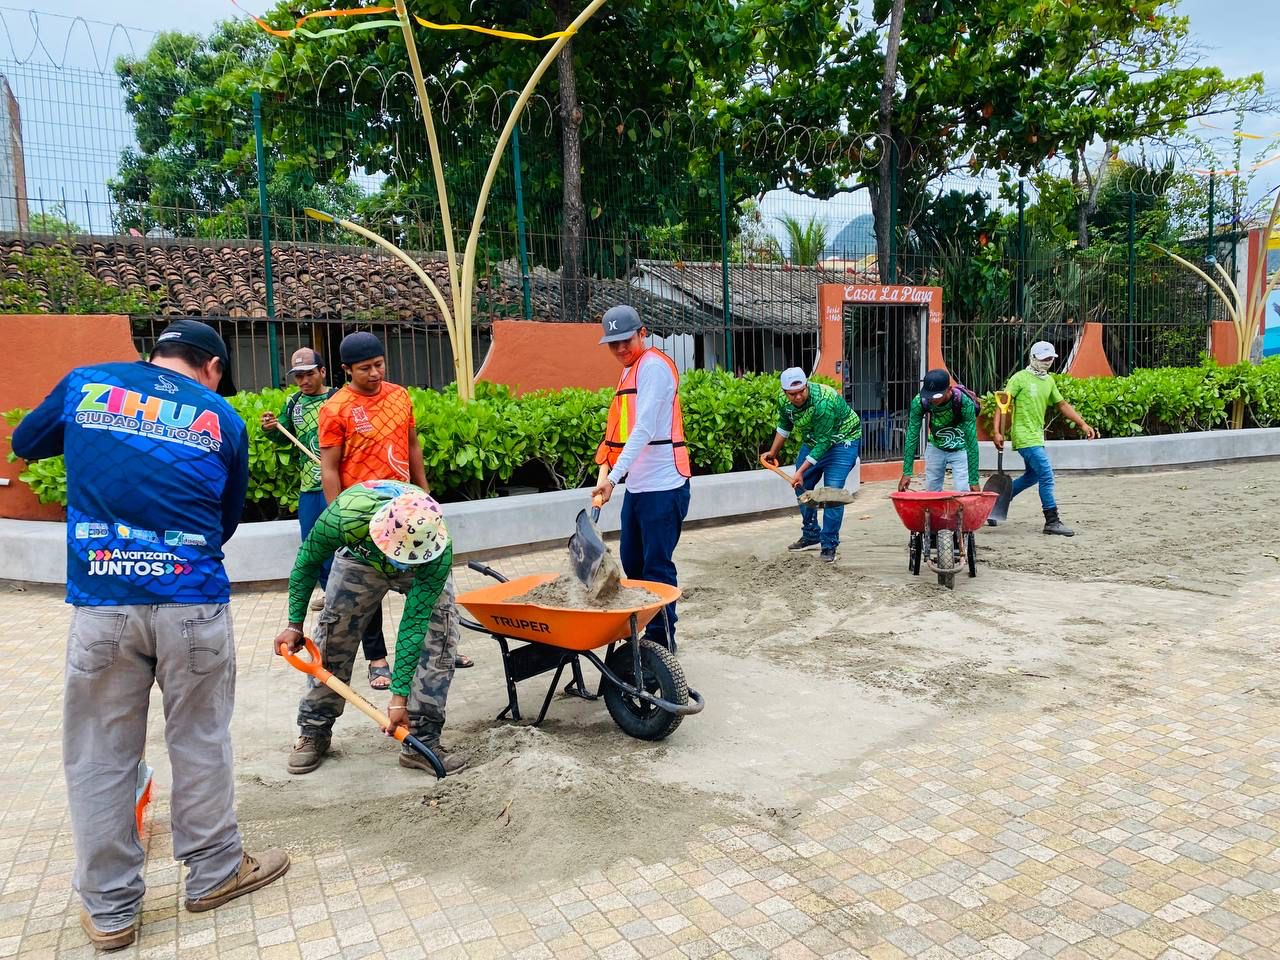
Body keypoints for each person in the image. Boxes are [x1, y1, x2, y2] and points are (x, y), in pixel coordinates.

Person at [11, 319, 288, 951]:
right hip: (193, 603)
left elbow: (28, 440)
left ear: (155, 354)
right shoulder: (221, 417)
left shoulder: (89, 385)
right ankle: (215, 873)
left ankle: (111, 912)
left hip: (105, 603)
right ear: (212, 367)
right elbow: (224, 523)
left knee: (101, 755)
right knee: (201, 740)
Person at [276, 479, 467, 775]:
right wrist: (294, 623)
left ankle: (421, 740)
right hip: (361, 559)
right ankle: (314, 731)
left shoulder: (436, 548)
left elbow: (412, 625)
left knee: (440, 637)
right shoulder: (346, 517)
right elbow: (307, 562)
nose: (399, 566)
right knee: (333, 634)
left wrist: (398, 698)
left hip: (423, 562)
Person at [591, 305, 691, 648]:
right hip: (638, 487)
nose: (620, 349)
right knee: (633, 563)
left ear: (642, 333)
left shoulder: (653, 368)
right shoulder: (628, 370)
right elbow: (617, 430)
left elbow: (644, 428)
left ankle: (663, 642)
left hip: (664, 487)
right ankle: (649, 632)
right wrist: (605, 466)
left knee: (657, 567)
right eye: (613, 343)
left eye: (626, 340)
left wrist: (613, 478)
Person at [993, 341, 1098, 536]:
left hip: (1036, 437)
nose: (1048, 362)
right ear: (1033, 358)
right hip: (1025, 436)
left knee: (1032, 476)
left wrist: (1083, 424)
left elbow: (1062, 404)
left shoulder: (1048, 381)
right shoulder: (1019, 379)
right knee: (1047, 476)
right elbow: (1002, 405)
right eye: (1044, 358)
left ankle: (995, 505)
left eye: (1050, 358)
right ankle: (1052, 520)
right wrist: (997, 431)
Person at [261, 347, 336, 611]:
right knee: (313, 544)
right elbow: (283, 434)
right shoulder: (293, 404)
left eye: (309, 374)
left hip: (337, 485)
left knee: (340, 540)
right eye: (298, 376)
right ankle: (330, 592)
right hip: (309, 487)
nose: (304, 381)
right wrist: (270, 428)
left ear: (322, 372)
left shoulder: (338, 399)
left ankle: (348, 590)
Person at [763, 368, 861, 563]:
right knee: (801, 485)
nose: (798, 396)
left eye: (802, 390)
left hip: (843, 440)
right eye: (792, 394)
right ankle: (811, 533)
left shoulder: (824, 400)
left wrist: (799, 471)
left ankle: (829, 544)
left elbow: (825, 442)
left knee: (832, 492)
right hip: (814, 439)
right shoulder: (783, 401)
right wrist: (773, 452)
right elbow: (785, 424)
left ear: (806, 385)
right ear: (784, 392)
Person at [898, 369, 981, 493]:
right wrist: (907, 472)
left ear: (949, 389)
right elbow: (912, 435)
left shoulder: (964, 402)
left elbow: (971, 441)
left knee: (963, 490)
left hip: (961, 447)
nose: (932, 400)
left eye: (936, 396)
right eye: (929, 396)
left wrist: (974, 480)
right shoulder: (920, 401)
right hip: (936, 446)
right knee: (932, 491)